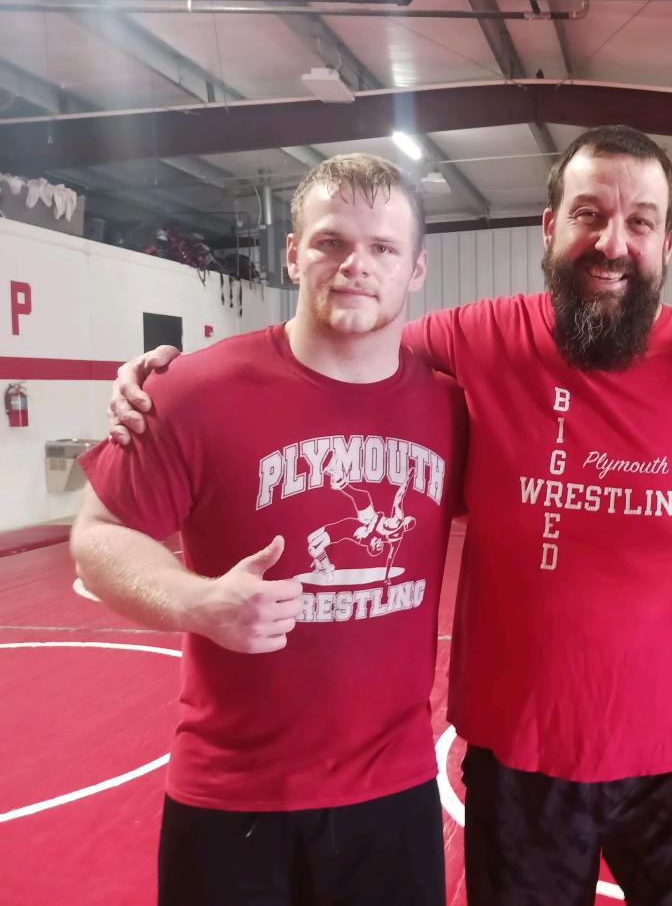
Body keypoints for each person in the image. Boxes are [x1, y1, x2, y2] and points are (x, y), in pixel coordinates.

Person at [106, 126, 672, 905]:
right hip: (522, 763)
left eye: (639, 222)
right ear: (550, 228)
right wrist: (174, 376)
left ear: (668, 246)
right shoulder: (474, 337)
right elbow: (346, 339)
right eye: (589, 215)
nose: (611, 241)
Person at [71, 154, 465, 906]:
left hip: (392, 791)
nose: (355, 266)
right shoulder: (194, 391)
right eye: (329, 243)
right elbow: (97, 535)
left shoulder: (455, 411)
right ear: (291, 254)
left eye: (382, 248)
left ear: (416, 269)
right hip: (232, 798)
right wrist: (194, 603)